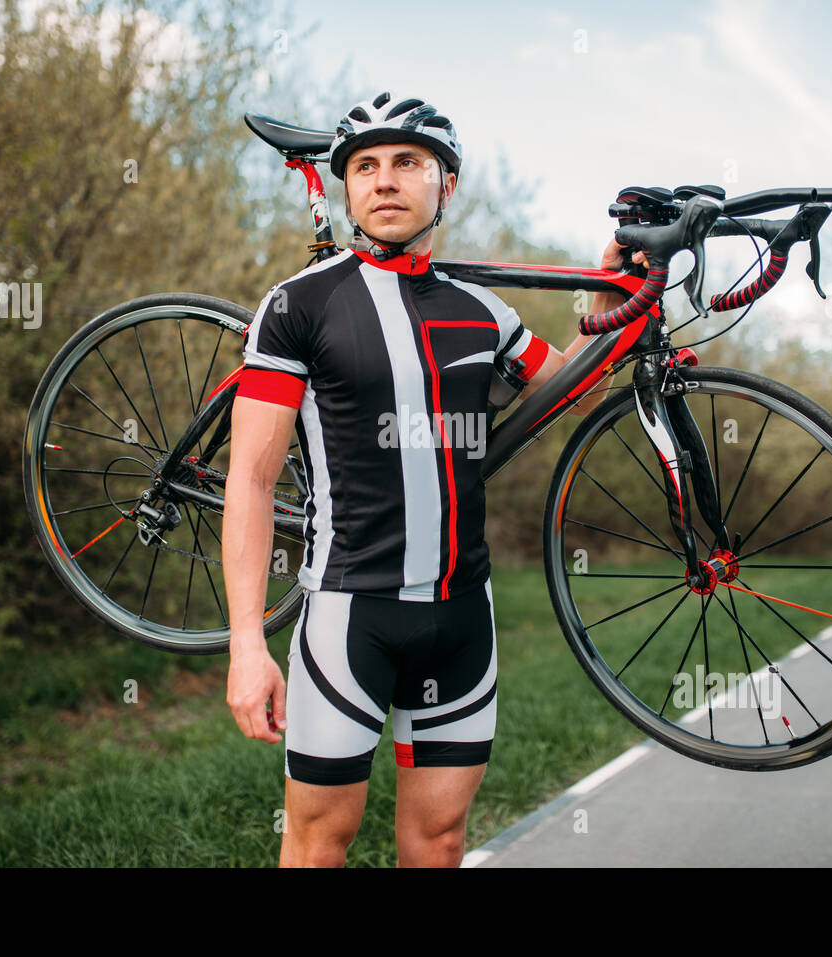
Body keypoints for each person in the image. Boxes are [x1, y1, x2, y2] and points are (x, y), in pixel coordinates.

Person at [223, 92, 640, 867]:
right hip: (350, 615)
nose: (385, 181)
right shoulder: (298, 307)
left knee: (439, 841)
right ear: (345, 187)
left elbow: (583, 390)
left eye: (408, 163)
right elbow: (248, 479)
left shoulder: (481, 312)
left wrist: (611, 299)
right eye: (365, 166)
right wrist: (248, 643)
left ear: (444, 183)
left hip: (461, 621)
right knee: (319, 844)